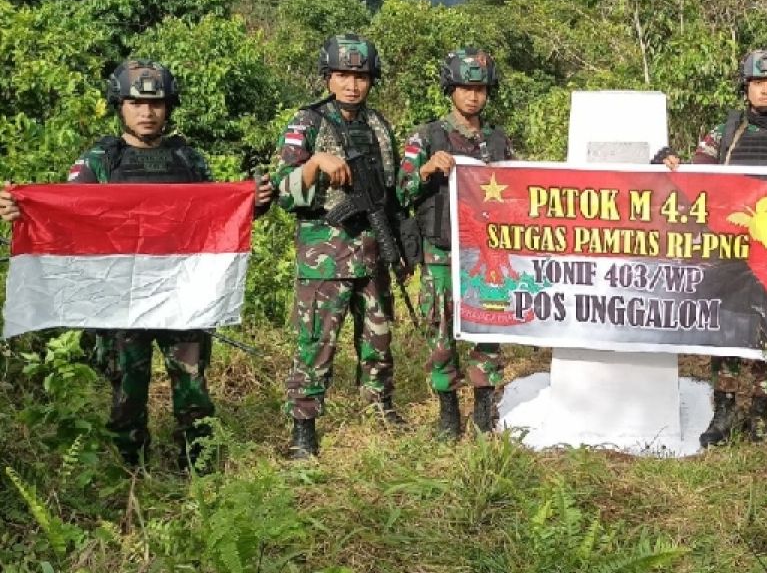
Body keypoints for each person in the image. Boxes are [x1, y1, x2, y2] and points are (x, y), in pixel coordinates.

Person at [0, 59, 274, 471]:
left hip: (183, 295)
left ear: (169, 107)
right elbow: (66, 213)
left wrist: (252, 204)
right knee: (127, 394)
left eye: (157, 103)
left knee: (193, 390)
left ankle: (197, 470)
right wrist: (21, 211)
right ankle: (131, 473)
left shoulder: (188, 160)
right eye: (136, 103)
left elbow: (215, 219)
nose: (147, 112)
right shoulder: (99, 160)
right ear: (120, 106)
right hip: (121, 299)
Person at [660, 48, 767, 446]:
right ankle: (725, 408)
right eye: (758, 82)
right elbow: (694, 177)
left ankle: (760, 411)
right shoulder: (725, 133)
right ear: (746, 88)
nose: (766, 90)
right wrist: (666, 164)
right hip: (728, 251)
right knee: (727, 327)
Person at [272, 33, 405, 460]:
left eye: (361, 76)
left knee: (379, 337)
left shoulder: (380, 126)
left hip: (373, 248)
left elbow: (391, 192)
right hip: (324, 255)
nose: (352, 84)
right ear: (328, 77)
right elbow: (283, 191)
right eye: (343, 75)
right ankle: (304, 429)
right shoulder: (307, 124)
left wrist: (401, 250)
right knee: (315, 342)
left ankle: (381, 406)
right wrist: (314, 164)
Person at [397, 47, 512, 439]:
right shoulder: (427, 136)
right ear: (451, 88)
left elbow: (519, 190)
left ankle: (483, 407)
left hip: (485, 254)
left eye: (480, 88)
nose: (473, 96)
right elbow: (402, 190)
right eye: (465, 87)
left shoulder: (497, 140)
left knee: (487, 328)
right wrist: (428, 169)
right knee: (440, 334)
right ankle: (448, 411)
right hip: (441, 252)